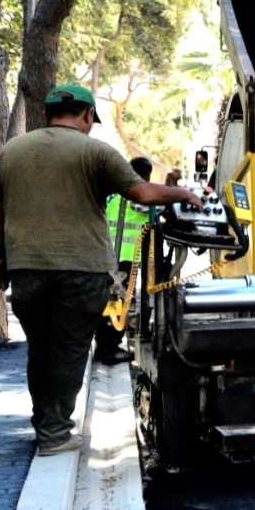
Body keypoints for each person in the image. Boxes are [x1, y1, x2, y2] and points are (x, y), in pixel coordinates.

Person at [0, 85, 201, 455]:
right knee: (69, 349)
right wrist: (184, 194)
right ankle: (55, 435)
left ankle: (45, 424)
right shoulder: (95, 151)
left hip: (26, 268)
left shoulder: (10, 152)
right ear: (87, 115)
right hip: (81, 269)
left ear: (46, 114)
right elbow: (142, 194)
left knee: (40, 349)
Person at [94, 156, 154, 365]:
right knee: (117, 303)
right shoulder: (135, 195)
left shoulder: (115, 193)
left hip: (109, 255)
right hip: (124, 258)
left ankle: (106, 346)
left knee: (112, 301)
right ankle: (108, 350)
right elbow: (149, 206)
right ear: (143, 176)